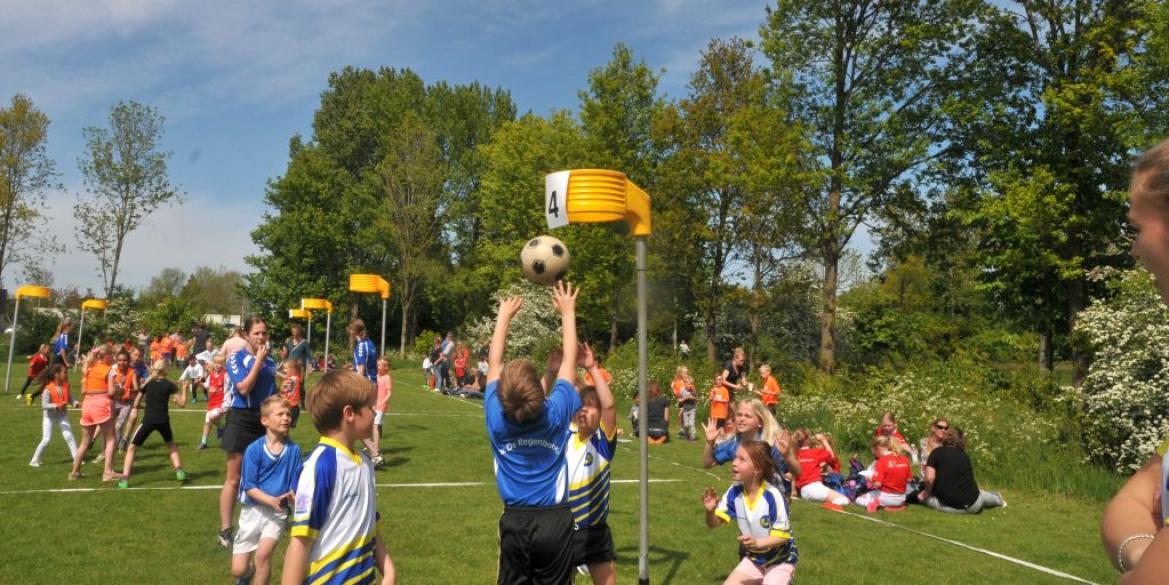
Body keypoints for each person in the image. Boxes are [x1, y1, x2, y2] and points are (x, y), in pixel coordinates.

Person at [485, 281, 581, 584]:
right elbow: (570, 362)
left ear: (501, 394)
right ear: (540, 395)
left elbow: (494, 362)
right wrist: (567, 312)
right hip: (555, 520)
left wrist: (503, 316)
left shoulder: (497, 418)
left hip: (515, 519)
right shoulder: (555, 414)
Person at [282, 370, 396, 585]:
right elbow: (300, 542)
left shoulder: (364, 463)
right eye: (370, 407)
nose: (374, 413)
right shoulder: (321, 466)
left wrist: (388, 571)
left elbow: (371, 525)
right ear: (349, 413)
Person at [702, 440, 798, 585]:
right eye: (735, 457)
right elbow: (713, 524)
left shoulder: (773, 495)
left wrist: (757, 543)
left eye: (742, 459)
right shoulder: (734, 492)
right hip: (754, 559)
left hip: (780, 561)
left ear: (757, 469)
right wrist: (710, 512)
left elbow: (782, 537)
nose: (734, 462)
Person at [219, 317, 278, 549]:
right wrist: (258, 362)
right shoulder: (236, 358)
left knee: (265, 474)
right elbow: (243, 388)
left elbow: (270, 391)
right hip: (241, 419)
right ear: (246, 335)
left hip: (264, 420)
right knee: (234, 478)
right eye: (257, 333)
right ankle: (225, 530)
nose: (261, 337)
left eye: (264, 333)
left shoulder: (270, 360)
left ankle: (264, 522)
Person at [232, 396, 300, 585]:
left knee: (262, 556)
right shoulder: (254, 450)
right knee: (238, 569)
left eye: (288, 414)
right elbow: (249, 486)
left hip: (276, 514)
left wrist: (293, 497)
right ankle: (247, 575)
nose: (286, 418)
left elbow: (295, 482)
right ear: (265, 421)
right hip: (252, 511)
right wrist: (271, 500)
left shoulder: (294, 450)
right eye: (280, 414)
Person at [566, 343, 617, 585]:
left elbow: (609, 405)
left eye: (591, 406)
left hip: (594, 531)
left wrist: (592, 367)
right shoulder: (563, 434)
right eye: (581, 405)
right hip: (562, 527)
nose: (585, 410)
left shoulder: (603, 444)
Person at [703, 399, 800, 498]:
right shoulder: (734, 443)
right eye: (739, 415)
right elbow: (708, 463)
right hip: (745, 497)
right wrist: (710, 443)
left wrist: (788, 456)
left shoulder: (770, 444)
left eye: (747, 416)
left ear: (760, 422)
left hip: (772, 500)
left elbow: (796, 473)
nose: (741, 419)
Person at [117, 360, 188, 488]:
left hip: (148, 420)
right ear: (165, 369)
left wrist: (146, 404)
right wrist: (185, 388)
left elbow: (137, 403)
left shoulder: (147, 384)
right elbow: (182, 404)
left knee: (132, 448)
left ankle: (125, 479)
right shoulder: (170, 385)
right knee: (171, 445)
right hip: (163, 421)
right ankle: (179, 472)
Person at [916, 427, 1005, 514]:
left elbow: (929, 478)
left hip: (952, 507)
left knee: (923, 497)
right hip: (975, 504)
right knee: (978, 493)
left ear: (945, 438)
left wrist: (926, 493)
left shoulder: (936, 453)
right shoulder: (964, 456)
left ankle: (996, 498)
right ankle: (998, 500)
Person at [69, 347, 120, 481]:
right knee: (111, 438)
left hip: (87, 405)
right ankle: (108, 472)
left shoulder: (89, 369)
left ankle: (75, 472)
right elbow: (111, 392)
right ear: (106, 356)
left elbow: (83, 390)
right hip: (101, 405)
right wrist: (119, 388)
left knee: (85, 442)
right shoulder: (109, 370)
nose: (113, 358)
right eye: (112, 355)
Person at [28, 364, 79, 466]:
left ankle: (77, 458)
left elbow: (70, 398)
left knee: (69, 436)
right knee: (46, 439)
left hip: (62, 415)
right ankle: (34, 460)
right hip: (49, 417)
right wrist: (56, 406)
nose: (66, 374)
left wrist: (75, 403)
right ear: (56, 374)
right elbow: (44, 405)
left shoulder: (66, 385)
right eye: (64, 372)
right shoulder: (47, 389)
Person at [792, 429, 849, 507]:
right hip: (814, 487)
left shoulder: (795, 454)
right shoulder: (815, 452)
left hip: (803, 491)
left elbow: (793, 474)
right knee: (844, 500)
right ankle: (827, 506)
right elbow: (831, 456)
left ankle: (826, 503)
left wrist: (793, 490)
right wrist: (824, 440)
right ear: (808, 441)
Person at [855, 435, 911, 512]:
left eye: (873, 450)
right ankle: (893, 505)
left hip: (886, 497)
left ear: (878, 448)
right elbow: (909, 479)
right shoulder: (904, 459)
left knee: (858, 499)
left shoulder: (882, 461)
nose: (873, 453)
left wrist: (869, 478)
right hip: (902, 498)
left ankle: (871, 504)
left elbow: (877, 484)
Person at [362, 357, 392, 467]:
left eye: (380, 365)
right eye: (377, 364)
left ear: (386, 368)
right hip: (374, 405)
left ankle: (376, 449)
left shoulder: (387, 377)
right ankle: (373, 445)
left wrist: (381, 403)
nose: (377, 367)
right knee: (371, 425)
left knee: (375, 426)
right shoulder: (376, 376)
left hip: (381, 406)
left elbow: (389, 393)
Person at [110, 349, 141, 452]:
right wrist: (114, 388)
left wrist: (127, 390)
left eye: (124, 360)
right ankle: (107, 448)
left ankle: (116, 447)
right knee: (108, 425)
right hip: (114, 402)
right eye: (119, 360)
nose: (121, 362)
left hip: (126, 403)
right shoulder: (112, 372)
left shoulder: (132, 373)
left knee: (119, 425)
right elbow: (107, 387)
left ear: (128, 361)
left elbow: (137, 389)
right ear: (116, 360)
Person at [199, 354, 228, 450]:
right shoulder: (211, 375)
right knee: (207, 422)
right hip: (212, 402)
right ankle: (203, 442)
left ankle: (221, 427)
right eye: (215, 363)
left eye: (219, 363)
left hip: (222, 402)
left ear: (223, 364)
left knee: (213, 416)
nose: (217, 365)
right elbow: (207, 386)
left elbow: (230, 387)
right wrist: (199, 383)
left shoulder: (226, 374)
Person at [672, 366, 698, 441]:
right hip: (682, 402)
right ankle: (683, 431)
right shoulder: (677, 381)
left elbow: (694, 391)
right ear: (681, 373)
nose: (686, 374)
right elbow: (676, 392)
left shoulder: (689, 381)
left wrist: (692, 394)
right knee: (682, 417)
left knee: (684, 417)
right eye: (684, 373)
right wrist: (678, 395)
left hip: (689, 403)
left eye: (687, 373)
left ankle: (684, 432)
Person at [279, 359, 303, 429]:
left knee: (284, 426)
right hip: (295, 406)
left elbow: (283, 391)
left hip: (289, 406)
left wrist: (281, 389)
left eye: (286, 368)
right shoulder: (297, 378)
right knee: (289, 427)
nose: (284, 370)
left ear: (293, 370)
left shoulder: (289, 380)